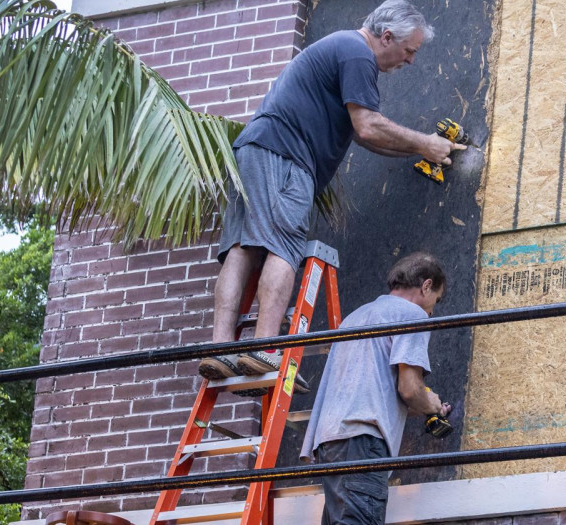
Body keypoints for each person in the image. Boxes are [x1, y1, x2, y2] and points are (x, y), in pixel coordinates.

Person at [199, 1, 465, 379]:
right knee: (281, 248)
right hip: (287, 158)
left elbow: (366, 138)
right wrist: (426, 143)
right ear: (386, 37)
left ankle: (220, 349)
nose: (409, 62)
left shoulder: (340, 48)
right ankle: (261, 349)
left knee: (243, 248)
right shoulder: (358, 53)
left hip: (256, 151)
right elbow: (369, 126)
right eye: (409, 51)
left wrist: (421, 148)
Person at [299, 252, 452, 524]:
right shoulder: (413, 314)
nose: (432, 311)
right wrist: (433, 405)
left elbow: (379, 389)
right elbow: (409, 390)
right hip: (363, 440)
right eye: (435, 301)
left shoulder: (358, 316)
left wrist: (421, 401)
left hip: (331, 439)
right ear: (426, 286)